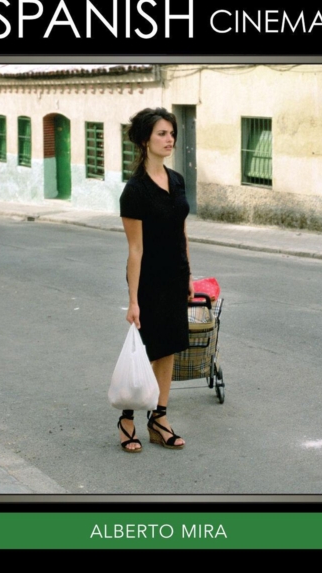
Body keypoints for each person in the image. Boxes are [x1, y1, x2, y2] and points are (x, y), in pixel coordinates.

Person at [118, 107, 194, 453]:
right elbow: (135, 249)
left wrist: (189, 274)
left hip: (176, 278)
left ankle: (159, 418)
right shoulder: (135, 191)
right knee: (146, 352)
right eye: (162, 133)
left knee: (170, 349)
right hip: (149, 281)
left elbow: (182, 232)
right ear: (145, 140)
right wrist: (133, 300)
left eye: (171, 133)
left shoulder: (176, 180)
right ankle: (128, 419)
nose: (169, 139)